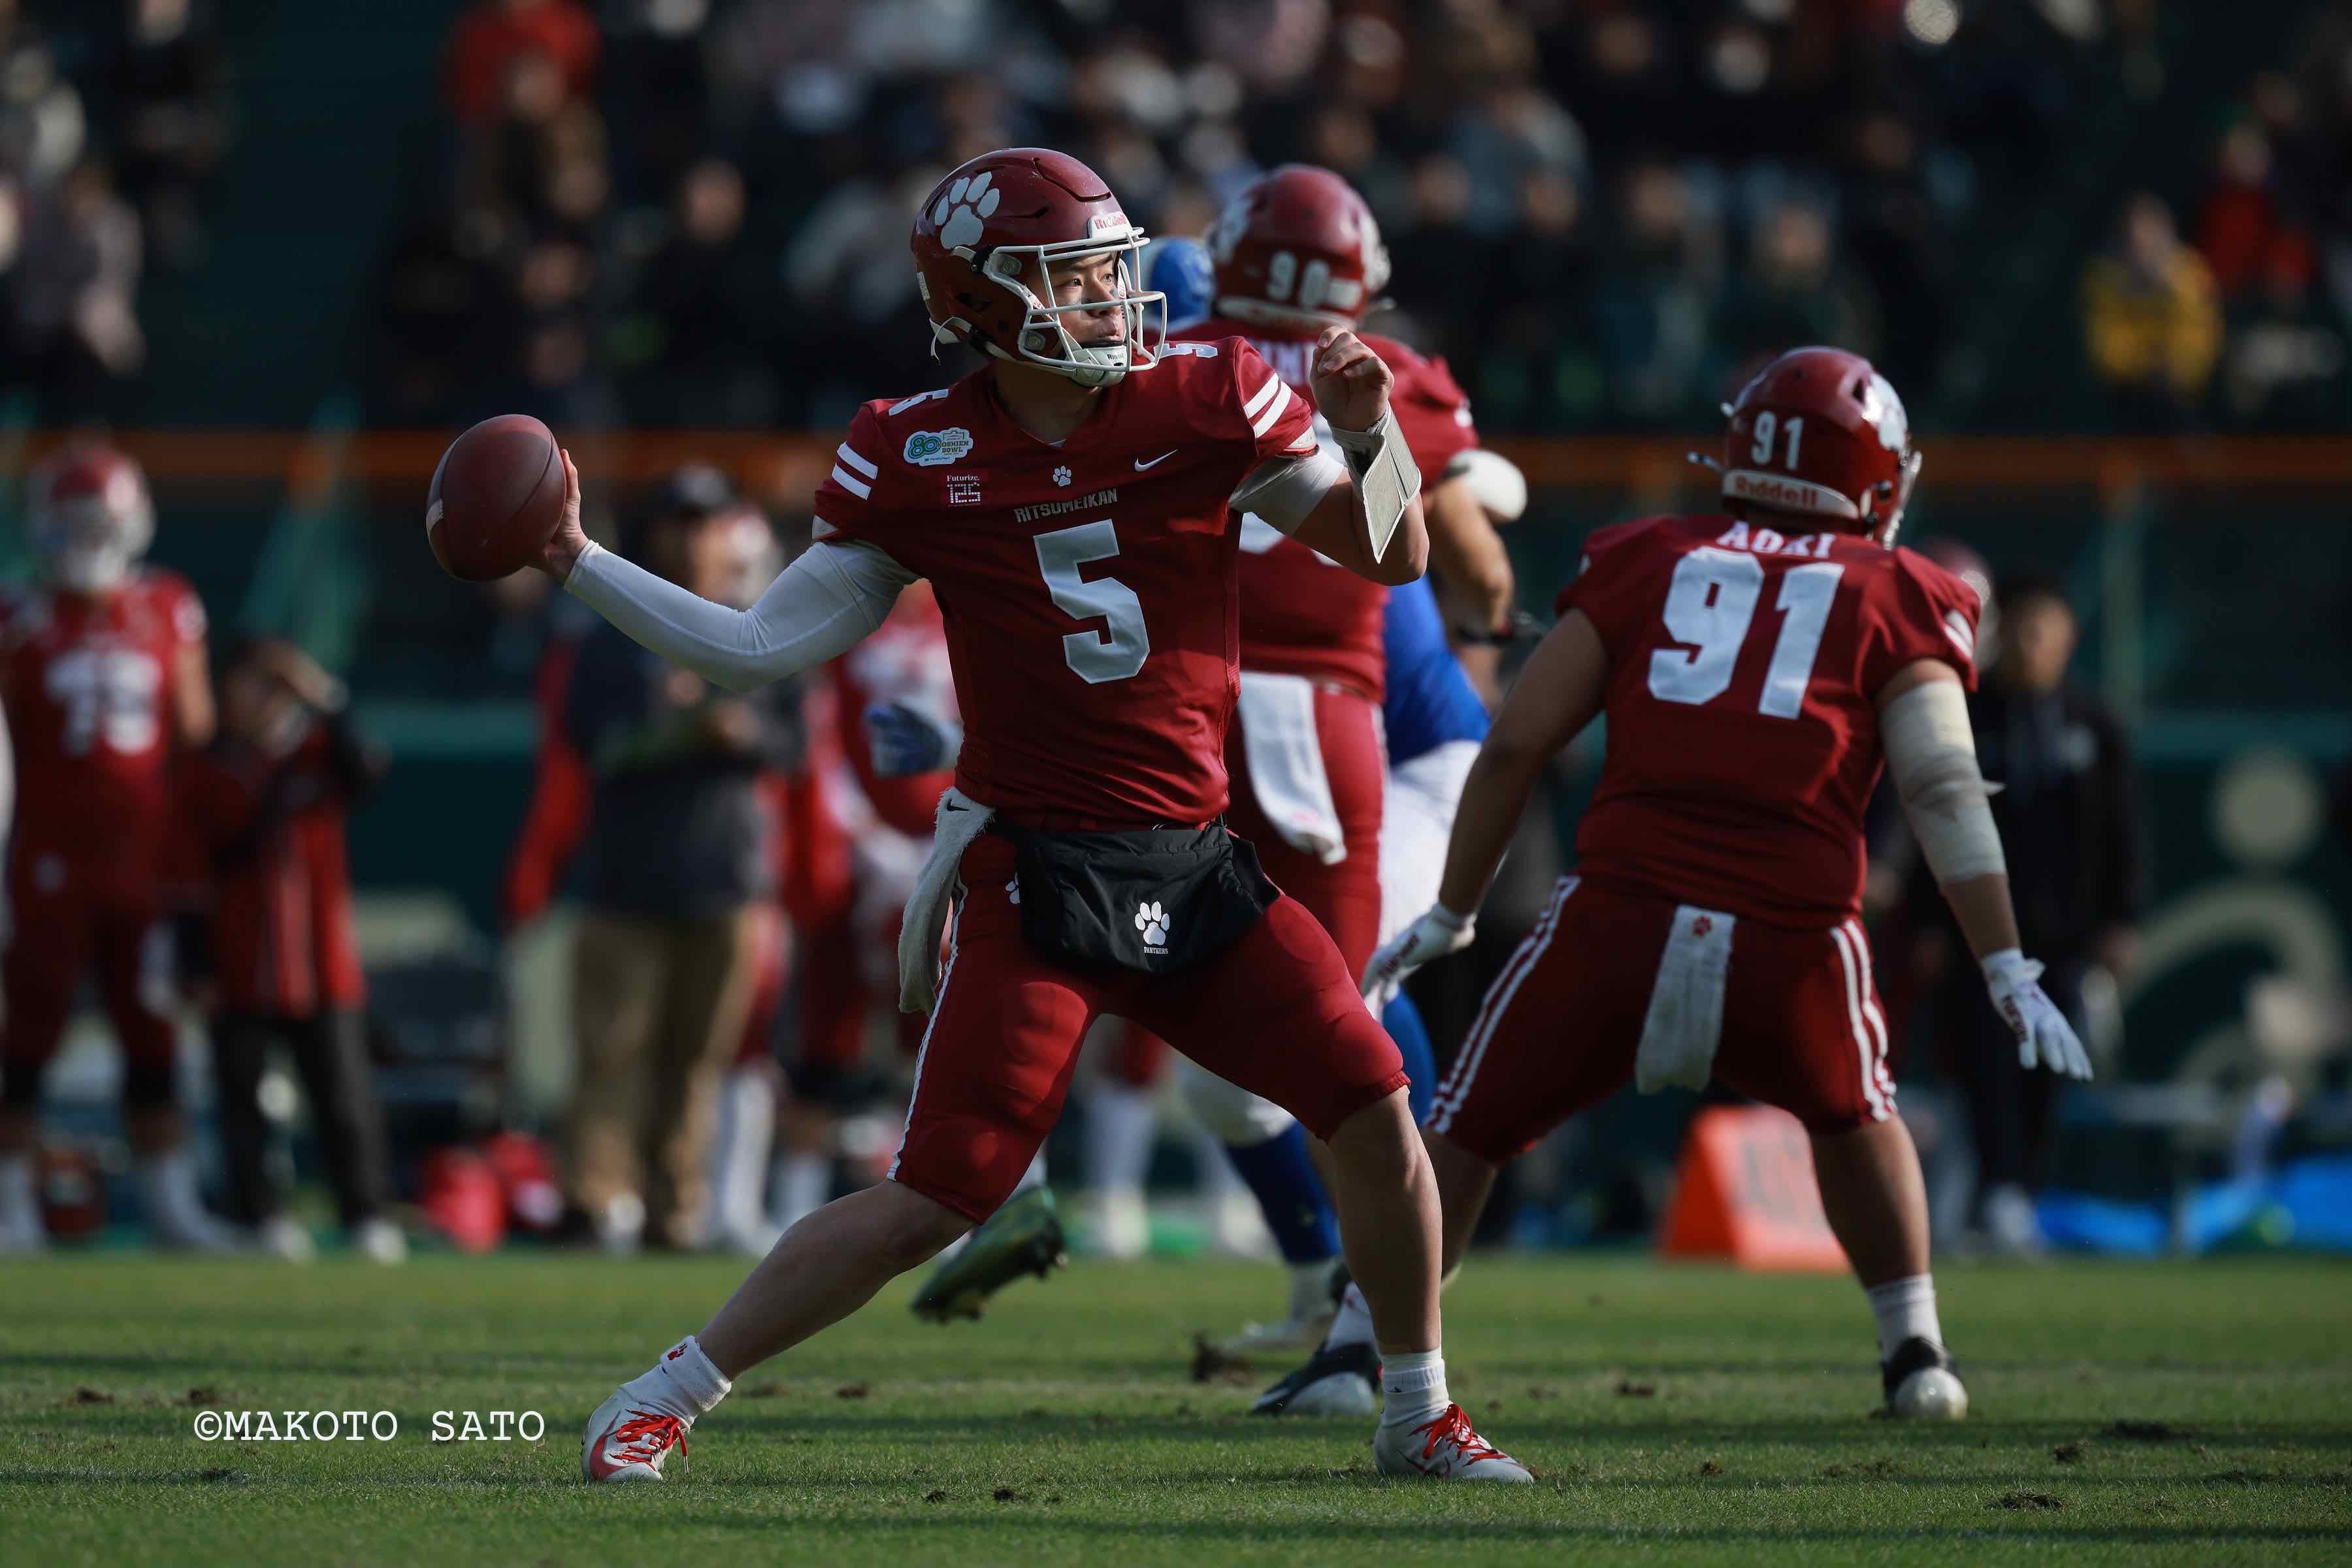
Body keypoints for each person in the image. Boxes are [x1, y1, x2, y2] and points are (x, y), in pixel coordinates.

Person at [542, 148, 1525, 1484]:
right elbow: (755, 651)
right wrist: (574, 558)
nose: (1116, 296)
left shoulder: (1212, 393)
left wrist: (1371, 436)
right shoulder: (917, 449)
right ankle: (661, 1393)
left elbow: (1392, 553)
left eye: (1114, 266)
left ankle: (1417, 1410)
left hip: (1195, 860)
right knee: (939, 1195)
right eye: (1073, 276)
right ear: (983, 305)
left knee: (1370, 1100)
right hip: (1038, 880)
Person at [1260, 346, 2094, 1421]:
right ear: (1875, 477)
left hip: (1618, 918)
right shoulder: (1898, 589)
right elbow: (1942, 789)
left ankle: (1357, 1349)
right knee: (1858, 1113)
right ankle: (1916, 1354)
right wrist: (2007, 960)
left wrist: (1456, 908)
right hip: (1793, 934)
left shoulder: (1648, 556)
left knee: (1463, 1129)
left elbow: (1514, 743)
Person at [557, 480, 807, 1253]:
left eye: (704, 523)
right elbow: (583, 737)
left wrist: (742, 734)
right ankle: (597, 1201)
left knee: (699, 1062)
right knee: (613, 1050)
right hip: (629, 876)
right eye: (678, 522)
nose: (691, 539)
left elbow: (792, 743)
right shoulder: (612, 624)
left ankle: (675, 1206)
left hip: (725, 874)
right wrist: (671, 726)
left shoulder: (759, 622)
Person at [0, 444, 237, 1252]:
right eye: (73, 523)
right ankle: (11, 1206)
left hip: (142, 856)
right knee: (27, 1035)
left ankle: (172, 1206)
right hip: (46, 857)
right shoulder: (18, 619)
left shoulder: (168, 606)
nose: (86, 538)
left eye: (97, 521)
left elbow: (197, 732)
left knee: (153, 1035)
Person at [1903, 573, 2142, 1254]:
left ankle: (2020, 1194)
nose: (2035, 643)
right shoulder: (1967, 718)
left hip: (2064, 933)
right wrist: (1927, 922)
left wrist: (2121, 918)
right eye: (2024, 627)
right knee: (1982, 1063)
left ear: (2069, 639)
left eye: (2049, 629)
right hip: (1975, 931)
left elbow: (2124, 832)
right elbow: (1930, 823)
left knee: (2050, 1065)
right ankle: (1988, 1192)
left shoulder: (2094, 725)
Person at [182, 638, 403, 1266]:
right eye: (249, 684)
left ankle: (365, 1213)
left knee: (343, 1101)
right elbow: (198, 863)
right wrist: (193, 963)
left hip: (322, 964)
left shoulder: (317, 755)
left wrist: (323, 694)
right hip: (240, 963)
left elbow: (366, 767)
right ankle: (260, 1215)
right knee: (243, 1100)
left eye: (271, 686)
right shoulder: (210, 768)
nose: (258, 698)